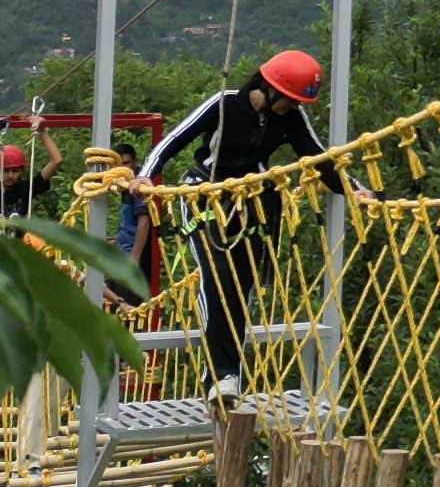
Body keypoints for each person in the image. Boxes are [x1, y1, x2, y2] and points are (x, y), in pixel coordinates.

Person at [137, 48, 327, 397]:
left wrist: (359, 191)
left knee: (240, 287)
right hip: (203, 197)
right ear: (270, 90)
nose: (292, 108)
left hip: (249, 202)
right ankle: (219, 374)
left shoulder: (290, 118)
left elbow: (319, 158)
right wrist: (146, 176)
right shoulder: (225, 104)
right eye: (289, 101)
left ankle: (231, 375)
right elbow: (173, 140)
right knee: (216, 276)